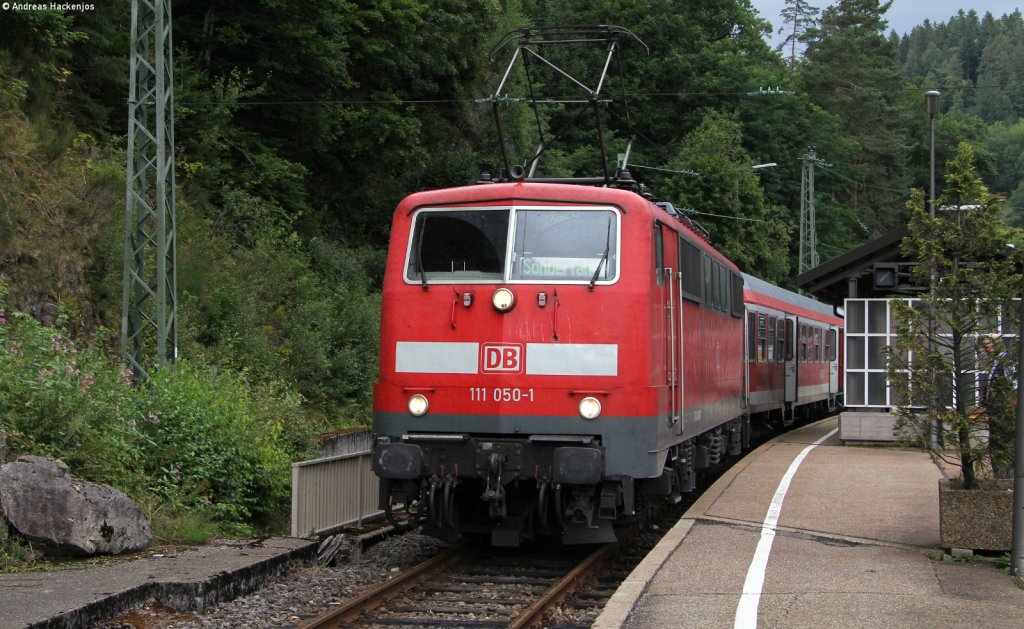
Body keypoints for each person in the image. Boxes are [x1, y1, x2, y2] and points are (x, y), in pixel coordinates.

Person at [980, 334, 1015, 478]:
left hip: (1003, 413)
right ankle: (1000, 475)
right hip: (995, 412)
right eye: (985, 346)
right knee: (995, 444)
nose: (986, 348)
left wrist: (1010, 409)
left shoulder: (1005, 362)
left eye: (989, 345)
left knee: (1004, 444)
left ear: (998, 344)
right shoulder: (995, 362)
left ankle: (1006, 476)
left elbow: (1014, 385)